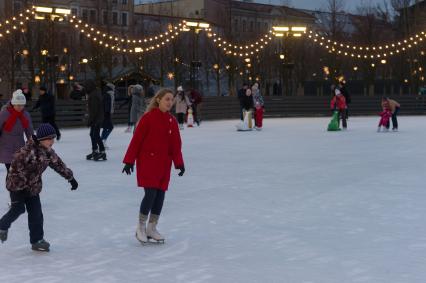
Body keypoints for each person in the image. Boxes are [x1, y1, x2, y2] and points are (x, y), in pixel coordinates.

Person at [0, 123, 78, 252]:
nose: (52, 141)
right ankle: (2, 225)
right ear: (41, 139)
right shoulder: (26, 152)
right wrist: (22, 184)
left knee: (36, 214)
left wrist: (71, 178)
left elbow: (58, 164)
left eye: (53, 138)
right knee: (18, 209)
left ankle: (37, 241)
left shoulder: (48, 152)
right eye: (49, 139)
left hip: (33, 187)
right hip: (17, 187)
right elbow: (14, 171)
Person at [122, 88, 185, 244]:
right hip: (148, 162)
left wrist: (179, 163)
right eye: (167, 99)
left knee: (160, 196)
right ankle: (141, 227)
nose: (170, 102)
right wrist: (129, 160)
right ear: (158, 100)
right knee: (150, 193)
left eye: (172, 99)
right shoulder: (148, 118)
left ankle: (152, 227)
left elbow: (176, 146)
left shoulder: (172, 121)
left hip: (164, 164)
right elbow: (136, 140)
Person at [0, 90, 33, 172]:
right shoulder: (4, 113)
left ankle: (17, 184)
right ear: (13, 103)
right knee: (10, 170)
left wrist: (32, 142)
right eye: (18, 105)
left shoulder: (25, 115)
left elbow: (29, 130)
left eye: (22, 105)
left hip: (19, 145)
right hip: (6, 144)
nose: (20, 107)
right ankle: (10, 184)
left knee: (18, 171)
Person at [84, 80, 106, 161]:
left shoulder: (93, 95)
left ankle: (102, 151)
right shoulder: (95, 93)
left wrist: (90, 120)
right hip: (97, 118)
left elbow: (94, 110)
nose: (85, 89)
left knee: (95, 135)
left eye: (86, 87)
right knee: (92, 134)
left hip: (97, 119)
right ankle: (95, 150)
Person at [101, 83, 115, 147]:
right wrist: (107, 113)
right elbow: (107, 104)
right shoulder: (109, 94)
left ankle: (101, 141)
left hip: (105, 113)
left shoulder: (106, 94)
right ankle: (103, 140)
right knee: (110, 127)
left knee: (105, 127)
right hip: (107, 114)